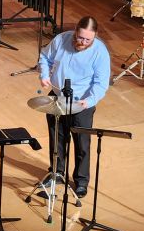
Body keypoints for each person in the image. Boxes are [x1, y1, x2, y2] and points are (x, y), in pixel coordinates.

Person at [38, 16, 110, 198]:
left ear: (95, 36)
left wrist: (89, 100)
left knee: (82, 144)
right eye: (80, 37)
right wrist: (44, 75)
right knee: (57, 139)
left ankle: (81, 181)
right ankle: (57, 173)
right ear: (76, 31)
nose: (83, 42)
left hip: (82, 103)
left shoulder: (100, 51)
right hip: (57, 98)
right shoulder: (61, 39)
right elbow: (45, 57)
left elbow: (101, 83)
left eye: (88, 40)